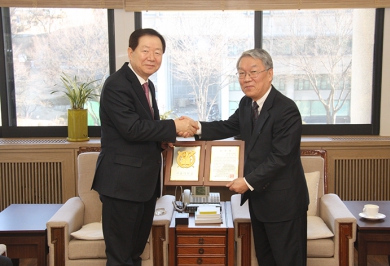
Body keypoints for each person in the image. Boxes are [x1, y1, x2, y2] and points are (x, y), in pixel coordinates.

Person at [192, 48, 309, 265]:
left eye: (253, 72)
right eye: (241, 73)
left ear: (270, 73)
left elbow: (280, 157)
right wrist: (195, 127)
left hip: (284, 204)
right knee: (266, 259)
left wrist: (247, 182)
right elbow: (227, 126)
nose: (246, 79)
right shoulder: (247, 104)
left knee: (288, 261)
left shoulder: (286, 110)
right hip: (260, 202)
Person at [91, 28, 198, 266]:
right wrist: (174, 126)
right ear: (130, 52)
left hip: (143, 185)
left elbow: (145, 129)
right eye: (146, 50)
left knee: (134, 253)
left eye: (158, 52)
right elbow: (132, 128)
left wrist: (163, 139)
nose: (152, 57)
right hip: (122, 185)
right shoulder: (117, 84)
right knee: (120, 256)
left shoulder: (147, 86)